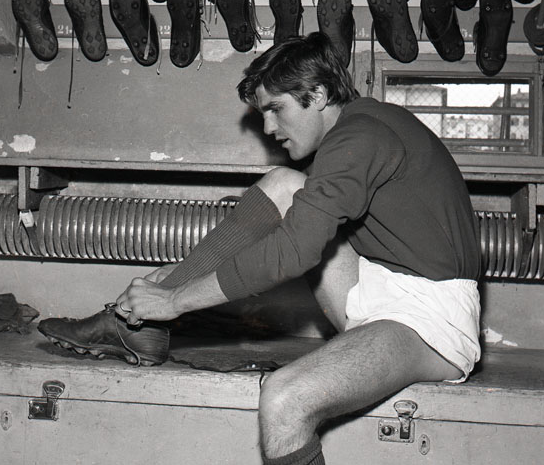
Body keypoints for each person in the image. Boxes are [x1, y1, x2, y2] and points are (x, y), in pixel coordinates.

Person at [39, 32, 481, 465]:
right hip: (379, 289)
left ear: (318, 94)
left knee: (284, 400)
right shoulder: (355, 132)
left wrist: (176, 300)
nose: (269, 128)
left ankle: (157, 311)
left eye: (276, 109)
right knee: (286, 184)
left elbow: (293, 252)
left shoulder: (360, 137)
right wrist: (176, 280)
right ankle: (137, 325)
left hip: (430, 322)